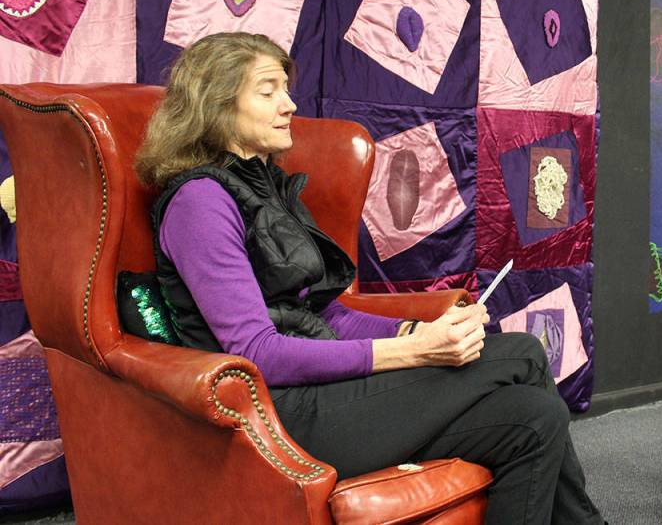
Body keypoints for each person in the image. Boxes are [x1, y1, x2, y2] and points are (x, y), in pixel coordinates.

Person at [134, 32, 604, 525]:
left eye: (285, 90)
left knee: (536, 419)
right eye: (268, 90)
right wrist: (414, 352)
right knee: (525, 352)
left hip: (327, 392)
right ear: (218, 105)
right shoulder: (199, 203)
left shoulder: (267, 186)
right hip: (282, 415)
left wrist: (413, 332)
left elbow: (328, 311)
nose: (289, 104)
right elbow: (256, 353)